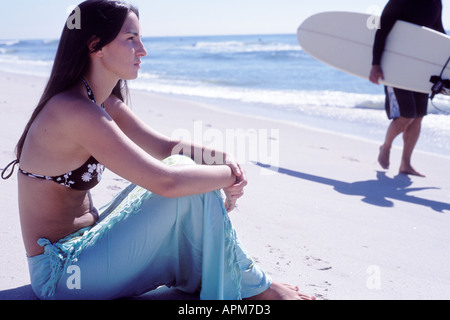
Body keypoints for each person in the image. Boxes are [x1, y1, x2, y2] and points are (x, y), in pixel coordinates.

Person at [1, 0, 314, 300]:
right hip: (60, 276)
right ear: (96, 45)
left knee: (184, 167)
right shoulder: (75, 111)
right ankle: (256, 286)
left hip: (87, 247)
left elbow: (165, 147)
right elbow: (166, 182)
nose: (143, 50)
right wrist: (227, 176)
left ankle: (247, 281)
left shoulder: (101, 102)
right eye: (131, 38)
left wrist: (225, 160)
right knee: (185, 182)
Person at [369, 0, 446, 177]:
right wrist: (375, 65)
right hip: (396, 66)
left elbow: (438, 31)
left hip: (420, 67)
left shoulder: (435, 2)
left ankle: (405, 164)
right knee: (407, 115)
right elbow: (381, 32)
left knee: (418, 117)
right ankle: (386, 146)